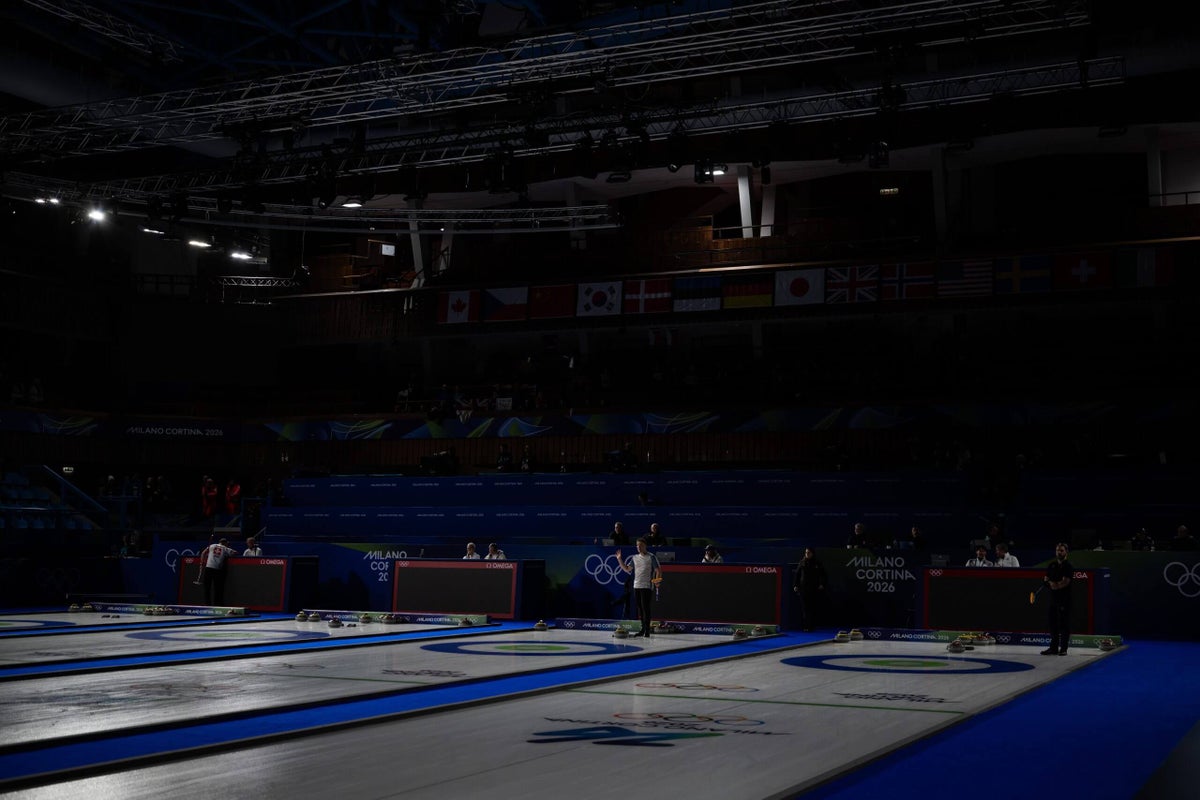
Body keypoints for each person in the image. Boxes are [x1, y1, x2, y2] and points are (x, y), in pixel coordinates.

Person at [615, 538, 662, 637]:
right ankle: (643, 629)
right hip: (636, 585)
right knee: (640, 608)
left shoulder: (651, 557)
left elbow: (658, 570)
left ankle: (648, 631)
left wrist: (657, 581)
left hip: (647, 586)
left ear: (645, 546)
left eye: (640, 545)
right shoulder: (635, 558)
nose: (638, 547)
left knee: (646, 608)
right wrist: (619, 559)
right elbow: (627, 569)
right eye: (637, 545)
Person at [1041, 542, 1073, 656]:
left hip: (1064, 600)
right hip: (1053, 600)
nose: (1059, 552)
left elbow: (1064, 583)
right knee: (1052, 624)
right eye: (1057, 550)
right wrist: (1051, 583)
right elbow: (1045, 580)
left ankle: (1063, 649)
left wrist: (1053, 584)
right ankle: (1053, 648)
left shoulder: (1068, 566)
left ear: (1066, 552)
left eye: (1061, 550)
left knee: (1064, 625)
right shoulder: (1051, 565)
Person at [792, 547, 827, 632]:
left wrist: (822, 584)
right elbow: (797, 574)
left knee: (812, 608)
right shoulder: (802, 562)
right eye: (806, 552)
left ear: (812, 553)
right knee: (805, 608)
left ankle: (812, 626)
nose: (807, 554)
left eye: (809, 552)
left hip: (814, 589)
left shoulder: (817, 563)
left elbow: (823, 575)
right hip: (803, 589)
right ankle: (806, 626)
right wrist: (795, 585)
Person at [199, 537, 237, 606]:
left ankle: (207, 604)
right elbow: (235, 552)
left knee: (207, 587)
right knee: (217, 588)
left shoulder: (212, 545)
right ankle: (217, 604)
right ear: (225, 543)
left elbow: (203, 553)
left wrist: (202, 562)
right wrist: (226, 554)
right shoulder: (225, 548)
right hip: (217, 570)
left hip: (208, 568)